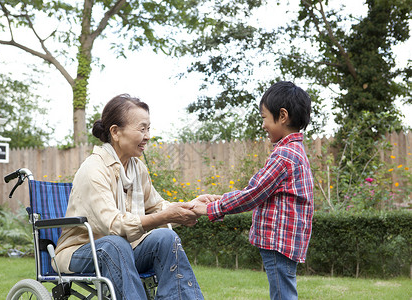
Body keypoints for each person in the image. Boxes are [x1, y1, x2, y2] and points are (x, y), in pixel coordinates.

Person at [54, 94, 215, 300]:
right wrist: (165, 217)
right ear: (116, 132)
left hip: (125, 249)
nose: (147, 135)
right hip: (81, 251)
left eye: (148, 128)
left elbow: (157, 206)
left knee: (166, 238)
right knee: (115, 243)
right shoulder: (94, 169)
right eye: (142, 128)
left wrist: (191, 206)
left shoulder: (136, 167)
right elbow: (113, 227)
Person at [193, 81, 314, 300]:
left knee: (282, 295)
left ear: (283, 116)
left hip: (279, 242)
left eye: (264, 117)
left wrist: (211, 209)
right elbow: (259, 190)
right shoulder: (293, 152)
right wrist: (223, 198)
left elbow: (254, 195)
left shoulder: (284, 155)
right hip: (284, 241)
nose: (263, 125)